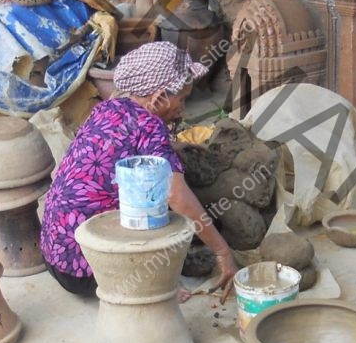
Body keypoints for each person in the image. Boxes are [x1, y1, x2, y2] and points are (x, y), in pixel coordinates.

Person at [40, 41, 239, 296]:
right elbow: (176, 195)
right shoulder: (149, 125)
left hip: (54, 256)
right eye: (182, 98)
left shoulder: (106, 108)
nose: (183, 107)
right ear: (157, 98)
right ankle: (149, 284)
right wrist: (222, 252)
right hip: (91, 270)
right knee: (164, 206)